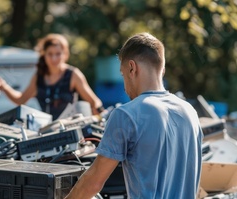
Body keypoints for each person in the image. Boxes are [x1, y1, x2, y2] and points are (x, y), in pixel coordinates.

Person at [65, 33, 203, 199]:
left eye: (123, 75)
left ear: (132, 67)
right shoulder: (190, 112)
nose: (124, 86)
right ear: (162, 70)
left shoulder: (126, 115)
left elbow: (93, 183)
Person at [0, 34, 103, 119]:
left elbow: (94, 102)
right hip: (47, 130)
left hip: (70, 128)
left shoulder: (73, 74)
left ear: (65, 54)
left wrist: (99, 114)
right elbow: (21, 100)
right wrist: (5, 88)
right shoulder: (39, 76)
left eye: (58, 54)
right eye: (50, 54)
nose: (54, 58)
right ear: (44, 55)